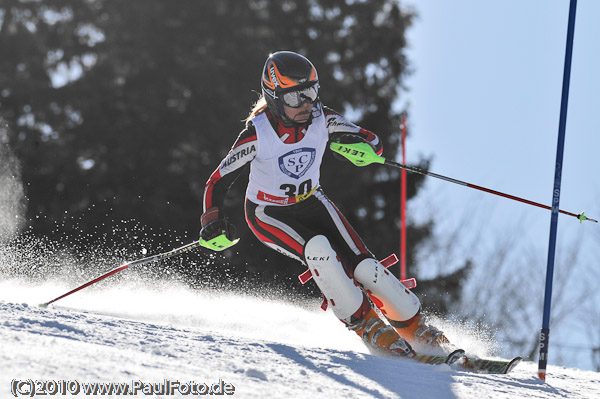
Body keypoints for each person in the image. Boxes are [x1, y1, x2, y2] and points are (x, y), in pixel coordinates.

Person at [200, 51, 449, 357]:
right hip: (268, 212)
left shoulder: (322, 118)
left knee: (366, 266)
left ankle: (416, 327)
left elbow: (370, 140)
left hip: (312, 200)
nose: (306, 104)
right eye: (295, 98)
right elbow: (217, 181)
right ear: (275, 98)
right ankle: (366, 324)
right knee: (319, 251)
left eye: (311, 92)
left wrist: (364, 149)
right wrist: (212, 221)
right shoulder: (258, 133)